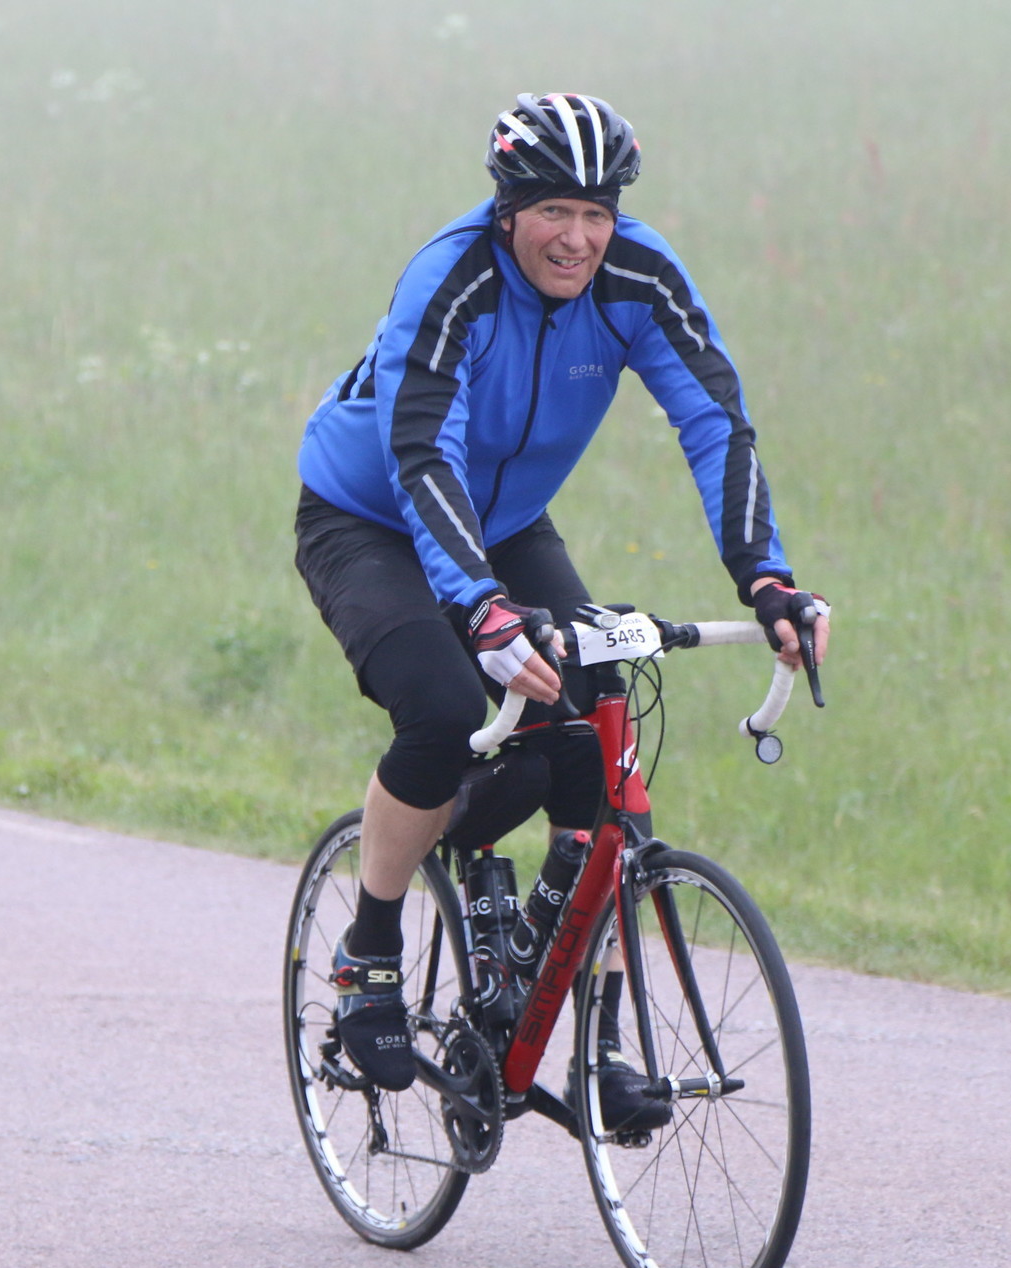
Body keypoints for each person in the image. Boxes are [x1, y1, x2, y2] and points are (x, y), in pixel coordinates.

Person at [294, 93, 828, 1121]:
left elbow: (714, 419)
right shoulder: (450, 278)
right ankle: (370, 948)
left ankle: (598, 1035)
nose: (577, 238)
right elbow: (422, 452)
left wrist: (766, 579)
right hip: (368, 517)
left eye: (595, 213)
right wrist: (481, 609)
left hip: (505, 522)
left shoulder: (638, 274)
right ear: (506, 212)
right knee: (442, 709)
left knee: (597, 744)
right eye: (552, 212)